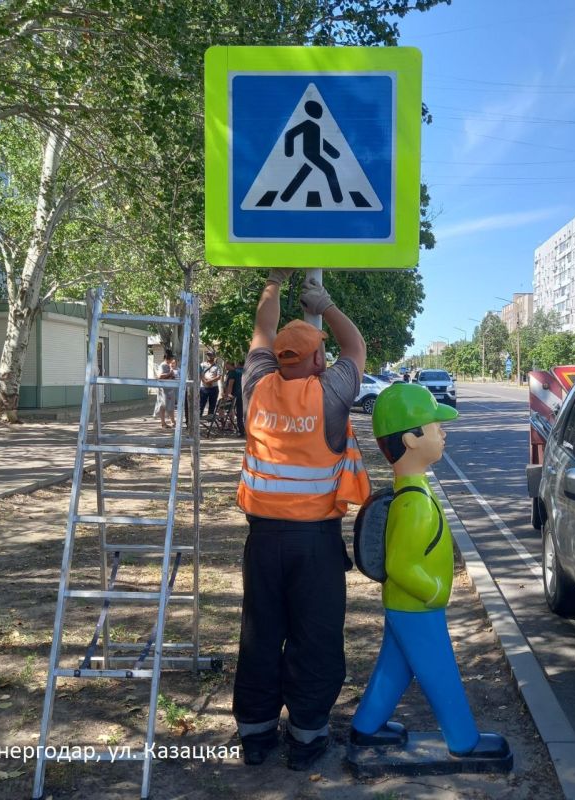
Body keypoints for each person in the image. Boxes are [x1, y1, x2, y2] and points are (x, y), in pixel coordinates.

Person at [233, 270, 370, 771]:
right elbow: (354, 348)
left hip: (263, 540)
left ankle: (255, 736)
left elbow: (261, 332)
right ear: (316, 359)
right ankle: (308, 740)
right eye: (321, 355)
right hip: (314, 543)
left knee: (261, 633)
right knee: (314, 636)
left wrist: (273, 282)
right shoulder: (329, 394)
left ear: (278, 360)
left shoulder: (256, 387)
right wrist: (326, 305)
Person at [349, 382, 512, 766]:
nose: (444, 433)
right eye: (436, 427)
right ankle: (464, 740)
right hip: (417, 606)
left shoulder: (414, 493)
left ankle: (366, 726)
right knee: (439, 671)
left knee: (396, 666)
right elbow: (400, 565)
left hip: (408, 605)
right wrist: (435, 589)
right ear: (411, 439)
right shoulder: (414, 503)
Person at [154, 350, 177, 429]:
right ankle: (165, 422)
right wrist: (169, 374)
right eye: (171, 358)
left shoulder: (168, 365)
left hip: (170, 389)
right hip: (164, 390)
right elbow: (160, 376)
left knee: (170, 405)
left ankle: (172, 421)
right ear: (168, 358)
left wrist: (172, 375)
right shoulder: (163, 365)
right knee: (163, 405)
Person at [224, 358, 245, 436]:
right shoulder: (246, 371)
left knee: (239, 414)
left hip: (237, 395)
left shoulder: (233, 372)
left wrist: (228, 394)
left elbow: (230, 384)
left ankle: (241, 431)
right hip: (247, 395)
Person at [200, 351, 222, 417]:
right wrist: (205, 382)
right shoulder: (202, 365)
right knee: (201, 403)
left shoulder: (217, 366)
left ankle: (210, 418)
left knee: (212, 404)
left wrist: (210, 381)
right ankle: (199, 417)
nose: (209, 356)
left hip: (214, 387)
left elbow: (218, 377)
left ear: (214, 356)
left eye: (211, 355)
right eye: (208, 355)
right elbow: (200, 374)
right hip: (204, 387)